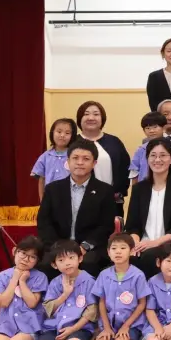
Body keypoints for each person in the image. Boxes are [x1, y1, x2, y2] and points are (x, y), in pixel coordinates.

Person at [36, 139, 116, 277]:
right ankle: (50, 298)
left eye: (86, 159)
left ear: (94, 163)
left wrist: (85, 246)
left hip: (89, 248)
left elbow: (106, 226)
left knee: (89, 263)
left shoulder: (105, 191)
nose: (80, 162)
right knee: (44, 264)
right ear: (68, 161)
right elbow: (44, 222)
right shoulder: (53, 189)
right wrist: (58, 247)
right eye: (75, 158)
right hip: (57, 245)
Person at [124, 138, 171, 278]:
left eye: (163, 155)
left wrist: (155, 243)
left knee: (150, 257)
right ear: (147, 158)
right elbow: (132, 225)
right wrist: (136, 244)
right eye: (153, 155)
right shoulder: (139, 188)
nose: (157, 160)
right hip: (143, 243)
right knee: (127, 259)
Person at [34, 240, 97, 340]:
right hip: (54, 327)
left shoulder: (89, 281)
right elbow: (48, 308)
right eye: (61, 260)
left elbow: (91, 312)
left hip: (79, 327)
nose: (67, 263)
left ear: (80, 258)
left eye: (71, 258)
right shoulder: (55, 282)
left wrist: (73, 328)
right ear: (54, 265)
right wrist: (65, 294)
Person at [0, 236, 48, 340]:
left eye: (32, 257)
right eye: (23, 254)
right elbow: (3, 302)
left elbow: (32, 303)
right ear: (14, 251)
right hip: (6, 325)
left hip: (29, 325)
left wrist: (23, 282)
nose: (26, 259)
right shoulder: (1, 277)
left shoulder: (40, 277)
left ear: (37, 261)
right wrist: (15, 278)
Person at [90, 233, 150, 340]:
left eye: (123, 248)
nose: (118, 252)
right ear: (108, 252)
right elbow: (101, 302)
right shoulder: (104, 275)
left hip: (132, 324)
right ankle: (111, 337)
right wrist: (106, 327)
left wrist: (126, 326)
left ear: (132, 251)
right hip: (110, 324)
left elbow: (142, 304)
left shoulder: (138, 275)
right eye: (114, 248)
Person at [75, 101, 129, 216]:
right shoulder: (72, 143)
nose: (91, 117)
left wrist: (119, 193)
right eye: (86, 114)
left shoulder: (114, 142)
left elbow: (125, 169)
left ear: (102, 119)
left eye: (96, 114)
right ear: (79, 118)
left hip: (110, 201)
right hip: (77, 202)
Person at [128, 113, 171, 185]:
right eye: (148, 128)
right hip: (145, 189)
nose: (151, 131)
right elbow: (134, 173)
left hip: (167, 188)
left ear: (164, 128)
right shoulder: (141, 150)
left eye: (155, 127)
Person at [31, 118, 76, 202]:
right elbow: (41, 181)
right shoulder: (45, 156)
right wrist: (42, 201)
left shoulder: (73, 156)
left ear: (72, 136)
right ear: (52, 133)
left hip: (71, 198)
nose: (62, 135)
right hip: (50, 198)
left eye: (67, 133)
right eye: (59, 132)